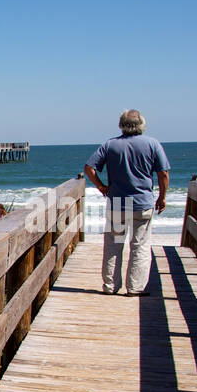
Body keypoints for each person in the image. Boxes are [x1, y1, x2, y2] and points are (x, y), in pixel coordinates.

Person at [84, 109, 170, 296]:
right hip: (142, 204)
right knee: (140, 246)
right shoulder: (152, 144)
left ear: (121, 125)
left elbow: (89, 168)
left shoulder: (110, 145)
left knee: (113, 246)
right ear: (141, 125)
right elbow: (163, 174)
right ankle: (135, 288)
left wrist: (101, 186)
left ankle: (110, 286)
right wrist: (162, 197)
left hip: (117, 203)